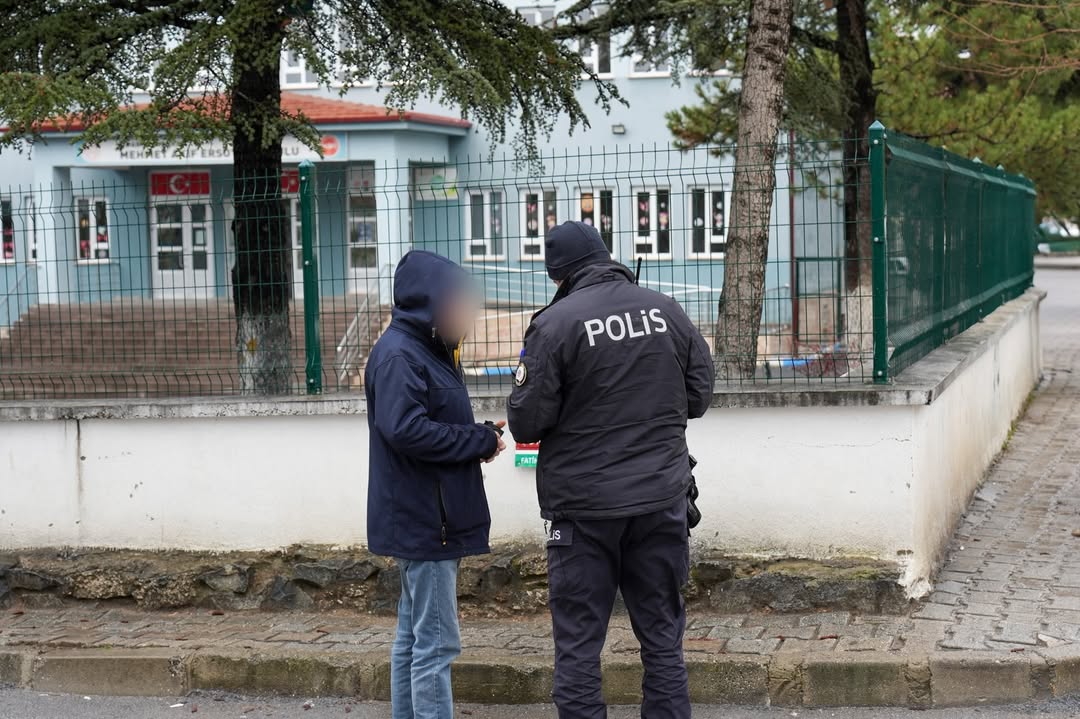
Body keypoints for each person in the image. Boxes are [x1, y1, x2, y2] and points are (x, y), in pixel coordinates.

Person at [507, 221, 715, 719]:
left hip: (583, 512)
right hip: (661, 500)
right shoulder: (665, 309)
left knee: (579, 645)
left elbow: (527, 421)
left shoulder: (554, 325)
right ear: (607, 256)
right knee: (663, 638)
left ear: (557, 274)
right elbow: (699, 396)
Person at [366, 250, 506, 719]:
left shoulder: (424, 350)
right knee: (436, 645)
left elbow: (426, 422)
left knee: (414, 636)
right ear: (429, 303)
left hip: (427, 517)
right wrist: (477, 441)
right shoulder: (401, 355)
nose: (468, 312)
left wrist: (480, 436)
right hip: (425, 520)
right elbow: (406, 430)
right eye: (458, 302)